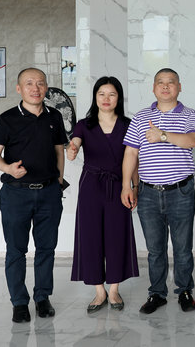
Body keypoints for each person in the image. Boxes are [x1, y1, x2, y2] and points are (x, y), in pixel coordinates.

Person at [0, 68, 66, 323]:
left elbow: (59, 151)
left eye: (40, 83)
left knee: (46, 248)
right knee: (16, 250)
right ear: (19, 88)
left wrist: (58, 182)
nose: (36, 88)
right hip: (16, 194)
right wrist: (8, 168)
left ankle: (42, 298)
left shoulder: (54, 116)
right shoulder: (6, 119)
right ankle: (19, 303)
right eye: (29, 83)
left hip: (48, 193)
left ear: (46, 88)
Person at [120, 68, 195, 314]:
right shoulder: (140, 117)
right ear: (153, 88)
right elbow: (130, 152)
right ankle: (157, 293)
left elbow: (192, 140)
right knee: (155, 250)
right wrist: (126, 185)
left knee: (182, 248)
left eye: (171, 82)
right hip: (148, 193)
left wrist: (162, 135)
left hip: (180, 191)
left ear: (179, 87)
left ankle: (185, 291)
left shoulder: (190, 114)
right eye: (160, 82)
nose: (165, 86)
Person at [67, 76, 139, 313]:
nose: (106, 99)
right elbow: (75, 143)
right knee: (91, 236)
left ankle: (115, 289)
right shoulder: (84, 124)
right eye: (101, 94)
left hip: (119, 185)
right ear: (95, 97)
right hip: (91, 185)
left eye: (112, 94)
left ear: (119, 98)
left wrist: (135, 187)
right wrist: (72, 150)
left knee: (117, 236)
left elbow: (134, 159)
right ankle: (99, 291)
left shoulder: (128, 124)